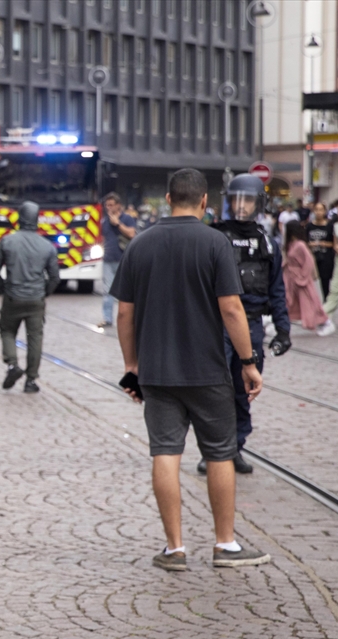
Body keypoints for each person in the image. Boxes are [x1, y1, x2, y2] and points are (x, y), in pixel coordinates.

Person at [110, 168, 271, 572]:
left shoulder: (140, 244)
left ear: (168, 199)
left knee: (165, 453)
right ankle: (225, 545)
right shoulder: (215, 242)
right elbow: (232, 308)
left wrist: (132, 366)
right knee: (220, 453)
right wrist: (248, 362)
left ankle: (174, 549)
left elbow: (124, 313)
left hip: (158, 372)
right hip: (208, 370)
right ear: (204, 202)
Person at [199, 173, 293, 476]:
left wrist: (283, 329)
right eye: (236, 200)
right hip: (216, 325)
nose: (241, 207)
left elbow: (277, 290)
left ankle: (235, 447)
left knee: (243, 391)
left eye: (247, 201)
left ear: (258, 204)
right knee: (213, 392)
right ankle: (212, 452)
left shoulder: (267, 243)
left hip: (251, 325)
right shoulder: (214, 237)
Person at [0, 201, 60, 393]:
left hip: (13, 295)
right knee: (35, 338)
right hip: (36, 298)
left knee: (7, 330)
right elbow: (55, 277)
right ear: (37, 219)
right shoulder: (47, 246)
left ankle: (12, 364)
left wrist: (2, 287)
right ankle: (31, 380)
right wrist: (44, 292)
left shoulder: (7, 241)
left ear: (19, 218)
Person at [283, 221, 335, 335]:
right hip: (292, 279)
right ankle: (281, 324)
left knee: (310, 301)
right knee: (289, 301)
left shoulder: (300, 245)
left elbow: (309, 261)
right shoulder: (292, 244)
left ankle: (326, 322)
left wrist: (303, 277)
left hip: (300, 279)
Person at [99, 192, 138, 328]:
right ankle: (107, 318)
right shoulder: (104, 221)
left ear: (118, 206)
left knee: (127, 291)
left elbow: (132, 234)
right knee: (107, 290)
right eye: (106, 205)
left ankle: (130, 318)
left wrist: (118, 224)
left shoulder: (127, 218)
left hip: (124, 260)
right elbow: (102, 238)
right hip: (108, 260)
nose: (108, 208)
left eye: (111, 205)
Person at [306, 202, 335, 304]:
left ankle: (326, 304)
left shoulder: (329, 226)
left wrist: (322, 243)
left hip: (325, 257)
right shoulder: (309, 226)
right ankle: (310, 304)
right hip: (312, 257)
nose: (318, 212)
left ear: (324, 211)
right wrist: (310, 244)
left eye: (321, 210)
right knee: (308, 281)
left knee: (325, 282)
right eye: (316, 210)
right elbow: (305, 242)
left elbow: (334, 243)